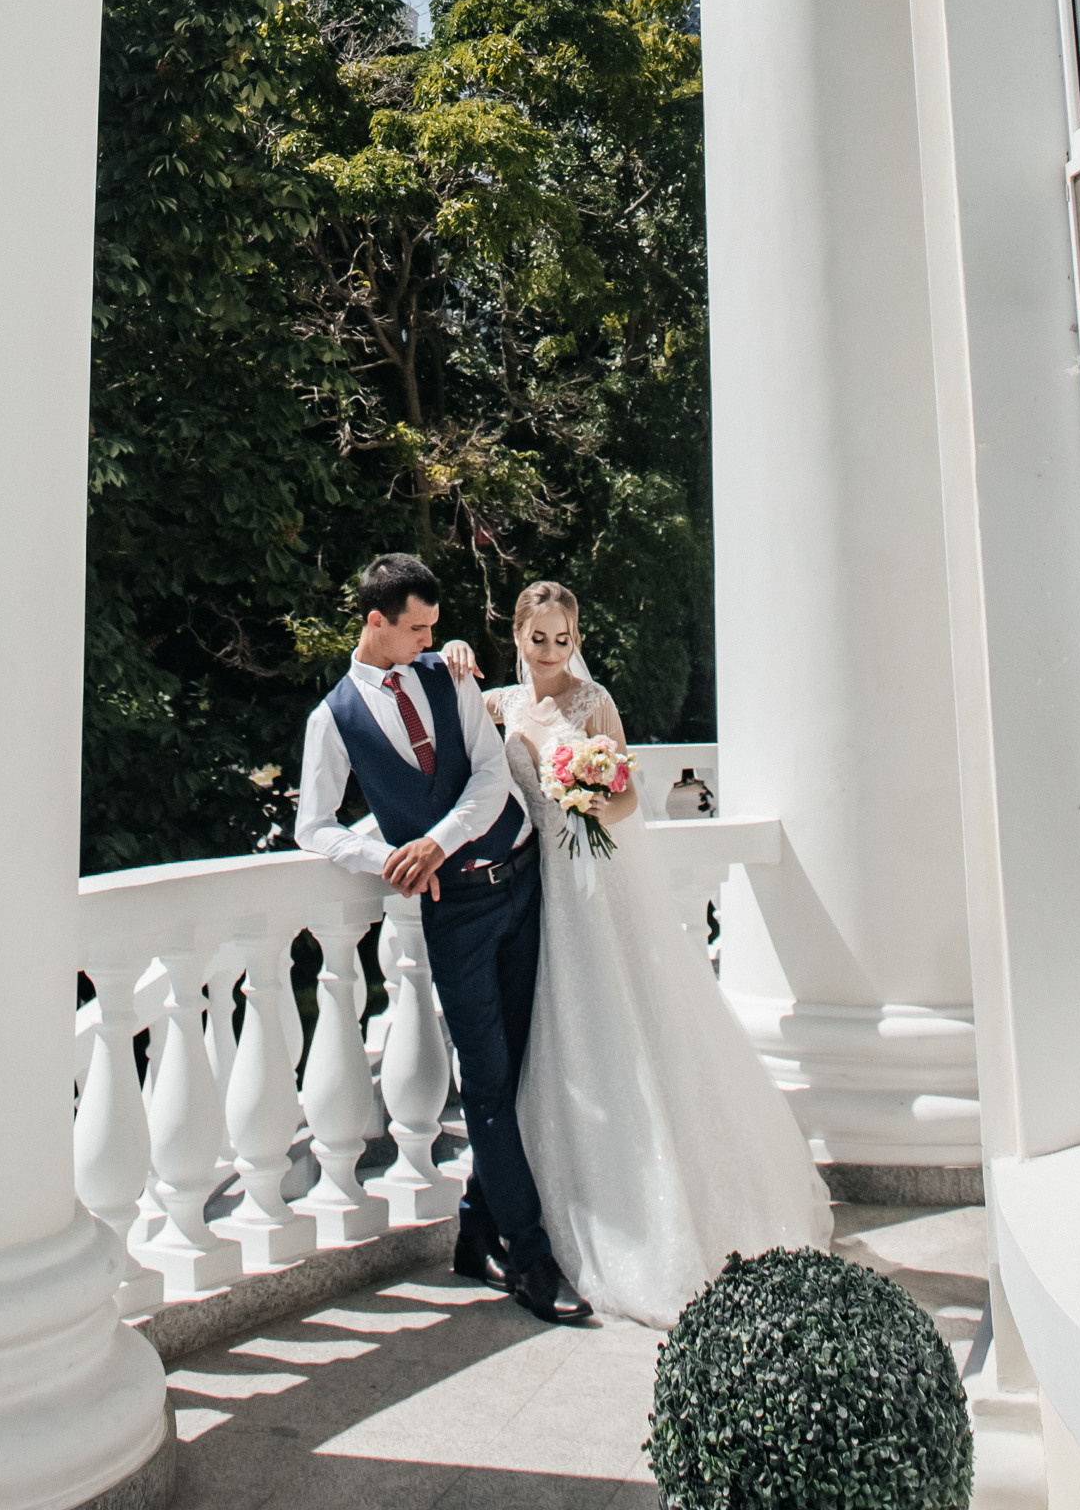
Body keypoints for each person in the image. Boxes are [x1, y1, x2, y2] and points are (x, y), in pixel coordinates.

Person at [455, 579, 832, 1327]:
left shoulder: (593, 703)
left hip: (595, 884)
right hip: (536, 893)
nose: (553, 652)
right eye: (539, 639)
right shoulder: (499, 704)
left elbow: (627, 793)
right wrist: (456, 654)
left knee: (624, 1026)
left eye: (564, 638)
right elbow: (456, 697)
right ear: (519, 636)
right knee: (552, 1043)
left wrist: (585, 796)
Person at [294, 551, 593, 1325]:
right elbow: (313, 826)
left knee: (521, 1068)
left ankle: (477, 1229)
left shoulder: (447, 678)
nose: (430, 640)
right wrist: (386, 857)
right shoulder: (333, 717)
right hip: (453, 914)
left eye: (433, 626)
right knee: (488, 1087)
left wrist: (436, 840)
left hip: (523, 884)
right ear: (375, 621)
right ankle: (529, 1260)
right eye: (416, 628)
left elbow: (490, 775)